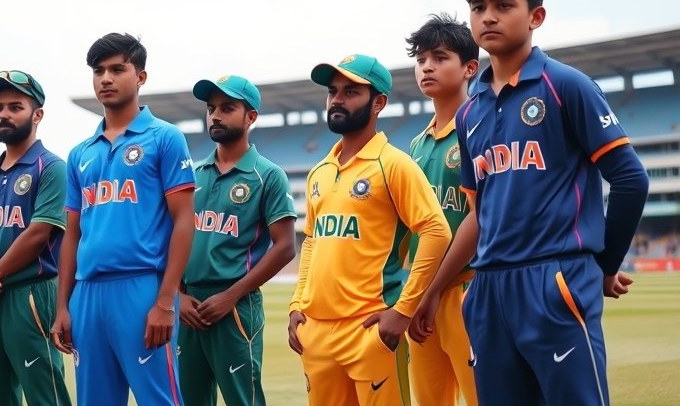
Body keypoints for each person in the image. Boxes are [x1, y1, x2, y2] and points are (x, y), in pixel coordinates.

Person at [421, 0, 649, 406]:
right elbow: (477, 217)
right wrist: (432, 292)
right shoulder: (470, 113)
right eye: (478, 6)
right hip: (488, 291)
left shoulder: (565, 84)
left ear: (535, 16)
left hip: (555, 278)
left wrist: (603, 266)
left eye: (504, 5)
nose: (488, 16)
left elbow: (630, 179)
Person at [287, 54, 452, 406]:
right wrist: (297, 305)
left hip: (371, 329)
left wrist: (404, 309)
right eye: (333, 92)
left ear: (378, 103)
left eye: (351, 92)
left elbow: (437, 231)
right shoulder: (320, 171)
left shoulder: (394, 164)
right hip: (317, 332)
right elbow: (312, 242)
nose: (337, 100)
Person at [52, 33, 196, 406]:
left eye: (118, 69)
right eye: (98, 71)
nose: (106, 78)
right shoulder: (80, 153)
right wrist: (63, 306)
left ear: (141, 77)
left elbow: (184, 221)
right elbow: (71, 235)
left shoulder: (165, 138)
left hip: (142, 288)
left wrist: (166, 301)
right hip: (87, 294)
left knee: (159, 399)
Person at [179, 75, 297, 406]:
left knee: (243, 400)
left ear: (251, 117)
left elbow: (285, 246)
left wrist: (230, 296)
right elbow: (169, 237)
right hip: (188, 306)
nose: (215, 115)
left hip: (234, 305)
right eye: (211, 108)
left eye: (227, 108)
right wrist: (177, 296)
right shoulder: (192, 174)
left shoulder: (267, 174)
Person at [0, 70, 71, 405]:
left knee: (45, 394)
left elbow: (38, 233)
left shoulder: (51, 167)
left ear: (37, 115)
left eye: (15, 107)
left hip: (29, 294)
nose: (4, 114)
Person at [401, 15, 479, 406]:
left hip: (468, 289)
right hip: (421, 296)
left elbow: (479, 217)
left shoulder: (480, 127)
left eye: (439, 57)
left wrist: (431, 291)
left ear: (469, 68)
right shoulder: (416, 144)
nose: (427, 66)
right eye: (421, 58)